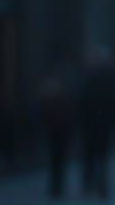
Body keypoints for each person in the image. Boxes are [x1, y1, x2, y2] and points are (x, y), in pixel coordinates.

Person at [78, 48, 115, 199]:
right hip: (102, 123)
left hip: (93, 123)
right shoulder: (110, 78)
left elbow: (82, 101)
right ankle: (99, 184)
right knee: (101, 156)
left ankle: (92, 183)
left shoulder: (89, 78)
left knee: (92, 155)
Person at [38, 70, 74, 198]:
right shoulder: (52, 99)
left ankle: (57, 185)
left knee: (58, 161)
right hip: (55, 134)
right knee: (56, 161)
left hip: (59, 134)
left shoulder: (59, 99)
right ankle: (56, 185)